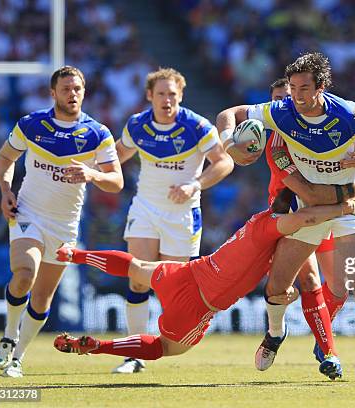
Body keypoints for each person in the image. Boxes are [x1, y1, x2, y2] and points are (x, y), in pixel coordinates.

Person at [216, 52, 355, 385]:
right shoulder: (281, 117)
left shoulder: (349, 116)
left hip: (351, 206)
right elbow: (229, 113)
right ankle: (277, 332)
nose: (296, 96)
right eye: (292, 88)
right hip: (308, 208)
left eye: (303, 88)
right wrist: (229, 141)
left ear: (321, 87)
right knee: (277, 285)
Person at [53, 188, 355, 365]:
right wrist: (346, 208)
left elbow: (278, 268)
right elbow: (308, 216)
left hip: (186, 273)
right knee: (166, 348)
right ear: (287, 211)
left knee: (136, 267)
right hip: (198, 304)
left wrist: (78, 254)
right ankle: (98, 347)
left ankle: (76, 255)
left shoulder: (259, 222)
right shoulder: (275, 227)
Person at [0, 66, 124, 377]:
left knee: (42, 297)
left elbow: (116, 181)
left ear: (84, 91)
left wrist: (92, 174)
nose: (72, 93)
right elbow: (5, 159)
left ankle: (18, 358)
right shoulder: (32, 124)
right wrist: (6, 189)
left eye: (77, 88)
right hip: (29, 214)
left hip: (65, 224)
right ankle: (9, 337)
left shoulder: (97, 133)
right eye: (65, 88)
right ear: (53, 93)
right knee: (25, 274)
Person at [255, 78, 355, 372]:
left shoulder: (322, 122)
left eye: (287, 98)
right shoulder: (276, 143)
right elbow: (311, 194)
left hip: (336, 203)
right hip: (297, 210)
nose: (285, 106)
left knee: (341, 288)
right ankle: (281, 335)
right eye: (278, 101)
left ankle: (331, 349)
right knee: (304, 282)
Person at [113, 68, 233, 374]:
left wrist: (196, 185)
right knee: (137, 276)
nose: (168, 100)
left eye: (173, 95)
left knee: (174, 286)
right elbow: (116, 155)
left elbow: (224, 162)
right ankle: (134, 355)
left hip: (182, 214)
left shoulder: (196, 126)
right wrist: (91, 166)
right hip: (146, 207)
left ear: (181, 96)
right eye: (162, 94)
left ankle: (173, 345)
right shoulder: (137, 125)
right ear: (150, 96)